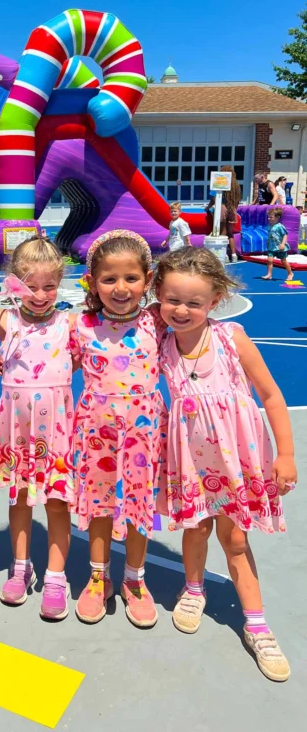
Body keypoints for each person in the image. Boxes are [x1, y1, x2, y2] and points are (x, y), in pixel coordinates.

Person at [154, 247, 296, 682]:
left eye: (194, 302)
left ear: (215, 300)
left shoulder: (231, 338)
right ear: (158, 294)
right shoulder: (161, 343)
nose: (181, 310)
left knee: (235, 539)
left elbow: (271, 395)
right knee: (196, 529)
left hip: (237, 459)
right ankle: (193, 589)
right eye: (172, 300)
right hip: (190, 460)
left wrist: (286, 454)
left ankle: (256, 624)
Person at [70, 230, 167, 629]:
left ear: (148, 279)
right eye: (109, 279)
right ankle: (99, 577)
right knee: (100, 504)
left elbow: (198, 314)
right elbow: (46, 355)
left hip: (144, 433)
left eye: (131, 278)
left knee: (140, 505)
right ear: (92, 282)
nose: (121, 288)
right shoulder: (80, 324)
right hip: (97, 433)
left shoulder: (157, 321)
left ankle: (135, 579)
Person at [0, 237, 76, 621]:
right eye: (30, 286)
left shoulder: (69, 323)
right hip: (17, 430)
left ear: (60, 283)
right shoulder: (3, 320)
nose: (39, 295)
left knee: (57, 502)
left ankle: (55, 576)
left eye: (49, 286)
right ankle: (20, 565)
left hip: (56, 431)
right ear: (14, 283)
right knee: (18, 498)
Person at [206, 165, 242, 263]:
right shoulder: (236, 186)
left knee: (222, 232)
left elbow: (213, 199)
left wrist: (208, 208)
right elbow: (237, 200)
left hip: (222, 208)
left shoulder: (220, 181)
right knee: (230, 233)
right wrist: (234, 209)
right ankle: (234, 255)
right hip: (232, 209)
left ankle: (224, 254)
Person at [263, 207, 293, 282]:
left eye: (271, 217)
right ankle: (269, 274)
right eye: (268, 217)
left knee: (283, 261)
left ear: (277, 217)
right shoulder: (270, 226)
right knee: (269, 260)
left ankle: (290, 273)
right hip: (272, 247)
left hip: (279, 247)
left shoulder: (280, 226)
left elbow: (285, 235)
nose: (269, 219)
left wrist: (283, 244)